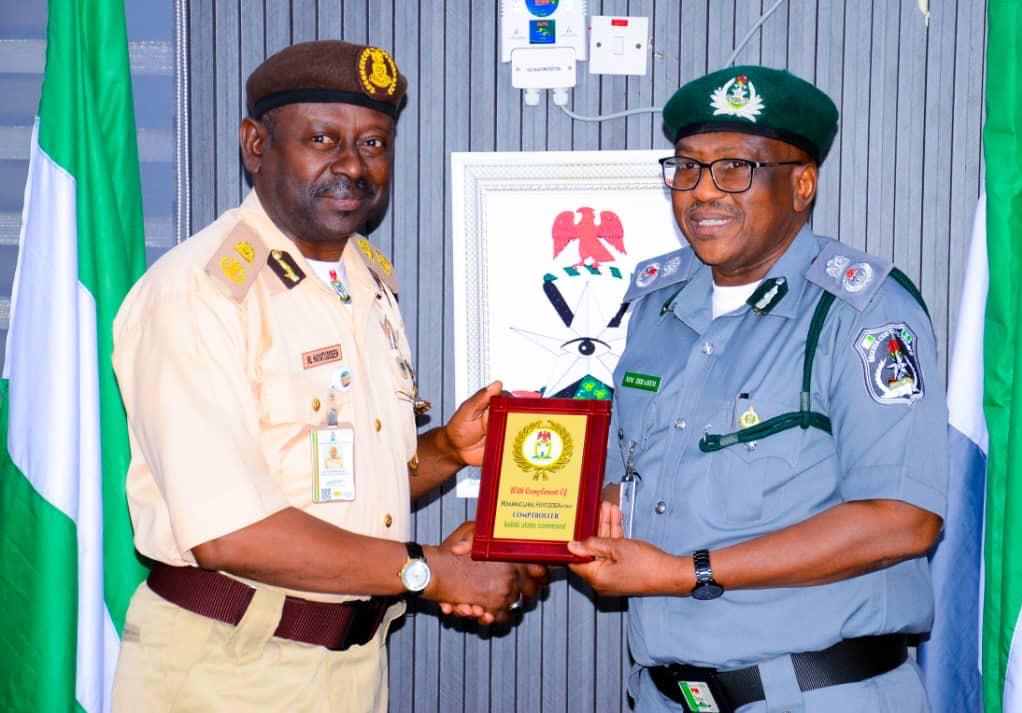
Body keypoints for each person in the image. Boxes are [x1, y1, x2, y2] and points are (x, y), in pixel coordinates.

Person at [110, 40, 544, 713]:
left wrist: (449, 453)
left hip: (352, 666)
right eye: (322, 138)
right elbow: (231, 529)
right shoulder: (198, 293)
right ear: (256, 144)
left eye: (374, 143)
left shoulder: (365, 280)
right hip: (226, 669)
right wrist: (429, 569)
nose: (352, 165)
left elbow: (339, 483)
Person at [568, 65, 946, 713]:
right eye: (687, 168)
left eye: (735, 168)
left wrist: (689, 572)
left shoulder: (861, 310)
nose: (703, 192)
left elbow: (902, 520)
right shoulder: (655, 308)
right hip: (665, 696)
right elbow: (630, 479)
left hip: (821, 695)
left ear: (802, 184)